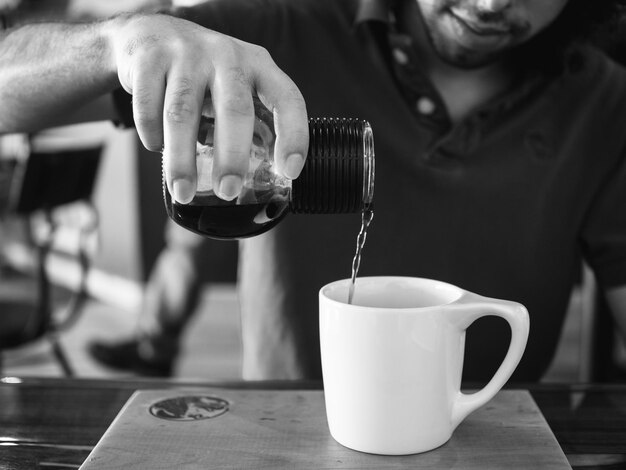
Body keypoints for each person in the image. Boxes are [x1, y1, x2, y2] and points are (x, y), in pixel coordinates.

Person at [1, 0, 626, 383]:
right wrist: (118, 43)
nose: (491, 4)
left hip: (496, 441)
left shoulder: (608, 106)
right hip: (289, 436)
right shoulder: (268, 33)